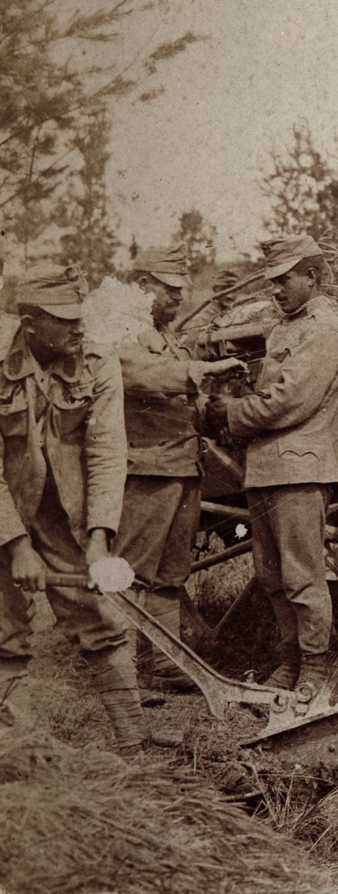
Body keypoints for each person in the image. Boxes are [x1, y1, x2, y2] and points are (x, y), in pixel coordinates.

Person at [0, 267, 170, 751]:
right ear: (29, 323)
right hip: (3, 507)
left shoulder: (97, 357)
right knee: (5, 631)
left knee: (101, 619)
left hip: (60, 512)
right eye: (64, 319)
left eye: (81, 315)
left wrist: (99, 540)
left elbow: (107, 449)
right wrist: (16, 546)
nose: (79, 327)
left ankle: (135, 743)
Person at [206, 236, 338, 695]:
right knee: (270, 577)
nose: (275, 289)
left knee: (302, 575)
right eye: (271, 281)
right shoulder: (285, 328)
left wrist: (227, 414)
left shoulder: (323, 329)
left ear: (312, 276)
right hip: (267, 469)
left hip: (301, 470)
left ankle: (315, 667)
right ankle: (290, 662)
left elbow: (287, 402)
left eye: (285, 279)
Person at [115, 245, 247, 693]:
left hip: (182, 466)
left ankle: (165, 665)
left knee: (171, 574)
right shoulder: (123, 330)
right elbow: (138, 374)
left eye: (180, 290)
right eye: (170, 290)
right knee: (132, 573)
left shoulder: (167, 335)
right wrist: (199, 371)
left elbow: (189, 396)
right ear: (143, 286)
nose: (177, 298)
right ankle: (121, 672)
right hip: (147, 468)